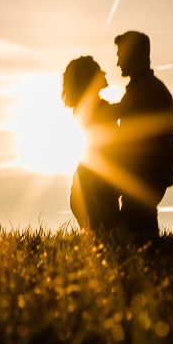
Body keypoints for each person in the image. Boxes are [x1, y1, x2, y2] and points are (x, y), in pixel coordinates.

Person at [110, 30, 173, 243]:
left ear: (137, 55)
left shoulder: (149, 92)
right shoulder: (139, 90)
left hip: (145, 176)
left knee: (135, 234)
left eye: (121, 55)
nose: (118, 62)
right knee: (138, 229)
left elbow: (138, 140)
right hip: (145, 175)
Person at [60, 55, 120, 235]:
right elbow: (122, 110)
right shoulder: (96, 108)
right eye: (98, 70)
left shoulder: (90, 107)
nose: (105, 73)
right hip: (94, 186)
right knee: (103, 238)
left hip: (90, 183)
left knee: (99, 238)